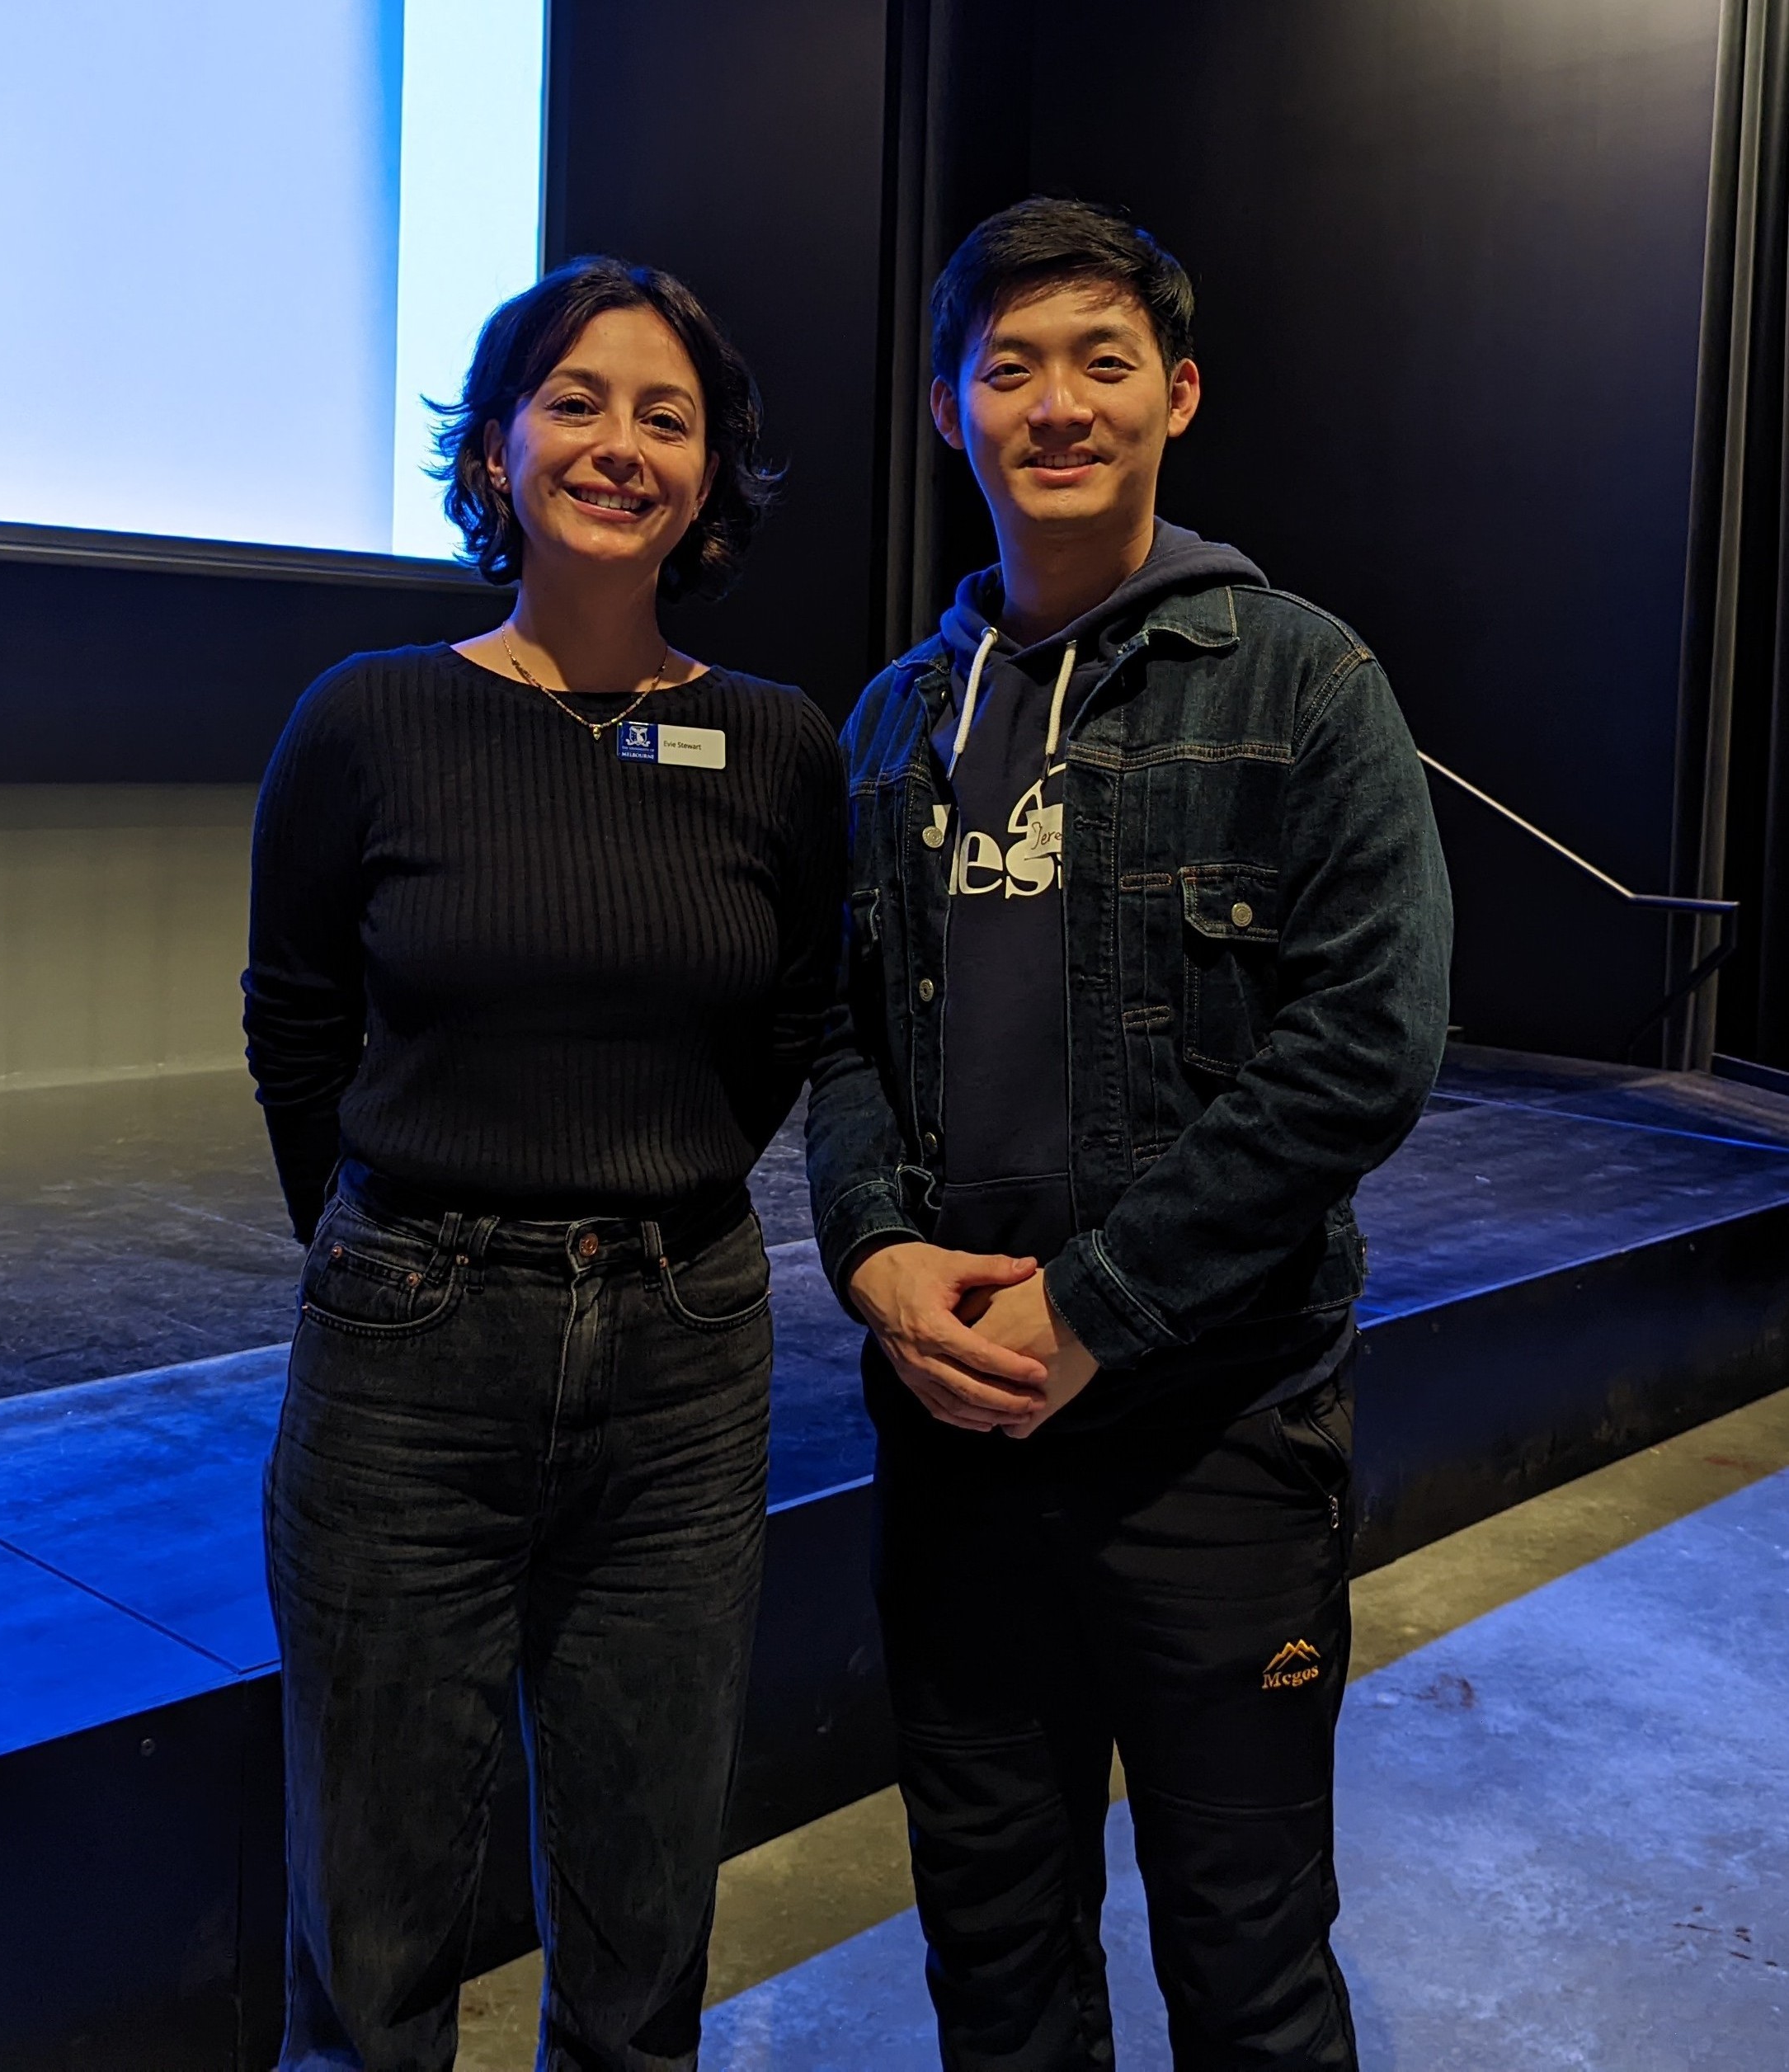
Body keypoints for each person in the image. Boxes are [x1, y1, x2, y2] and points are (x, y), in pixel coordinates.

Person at [806, 197, 1452, 2070]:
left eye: (1101, 361)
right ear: (948, 409)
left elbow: (1366, 1043)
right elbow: (844, 1037)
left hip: (1215, 1442)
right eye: (1008, 365)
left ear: (1175, 393)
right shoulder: (894, 720)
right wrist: (871, 1250)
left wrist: (1092, 1305)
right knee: (995, 1973)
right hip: (954, 1452)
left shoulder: (1303, 679)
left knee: (1249, 1975)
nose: (1056, 403)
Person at [244, 254, 845, 2072]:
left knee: (649, 1902)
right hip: (410, 1342)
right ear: (497, 449)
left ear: (709, 473)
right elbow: (297, 1027)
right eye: (575, 399)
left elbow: (786, 1027)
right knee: (372, 1920)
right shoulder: (368, 715)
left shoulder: (775, 740)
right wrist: (391, 1242)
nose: (619, 442)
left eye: (667, 414)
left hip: (684, 1348)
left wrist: (641, 1196)